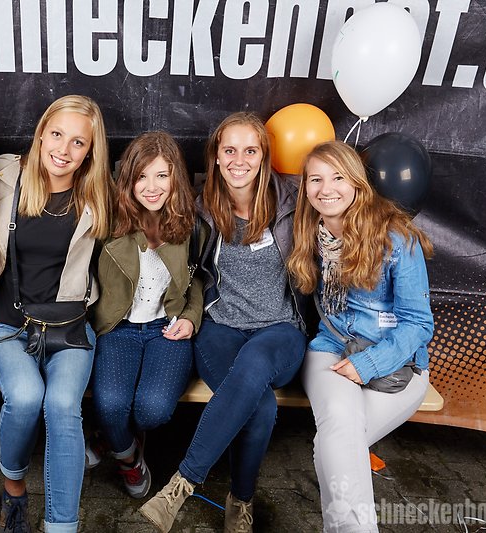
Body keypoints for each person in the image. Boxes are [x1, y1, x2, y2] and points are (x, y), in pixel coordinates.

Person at [140, 112, 309, 533]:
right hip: (220, 327)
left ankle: (182, 482)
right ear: (215, 156)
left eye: (250, 151)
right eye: (229, 150)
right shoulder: (200, 208)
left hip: (279, 330)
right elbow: (188, 272)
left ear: (264, 156)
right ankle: (241, 499)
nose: (239, 160)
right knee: (261, 407)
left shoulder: (294, 200)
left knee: (256, 362)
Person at [0, 95, 112, 533]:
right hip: (7, 325)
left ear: (90, 151)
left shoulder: (98, 194)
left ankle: (61, 527)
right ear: (40, 133)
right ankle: (14, 490)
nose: (64, 150)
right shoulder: (3, 174)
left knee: (63, 405)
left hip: (69, 327)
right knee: (25, 397)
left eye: (78, 142)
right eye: (56, 134)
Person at [286, 140, 434, 532]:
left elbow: (419, 325)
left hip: (397, 364)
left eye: (338, 177)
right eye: (315, 179)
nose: (326, 189)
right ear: (305, 188)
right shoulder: (309, 233)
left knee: (334, 443)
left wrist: (367, 364)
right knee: (340, 433)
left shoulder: (396, 237)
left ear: (357, 183)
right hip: (330, 349)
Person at [89, 131, 204, 499]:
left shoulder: (192, 222)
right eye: (142, 176)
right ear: (128, 179)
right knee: (110, 405)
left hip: (167, 327)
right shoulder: (108, 220)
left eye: (162, 175)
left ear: (175, 178)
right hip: (118, 327)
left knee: (152, 409)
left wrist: (191, 316)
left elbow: (200, 277)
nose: (152, 187)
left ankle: (113, 437)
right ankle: (128, 457)